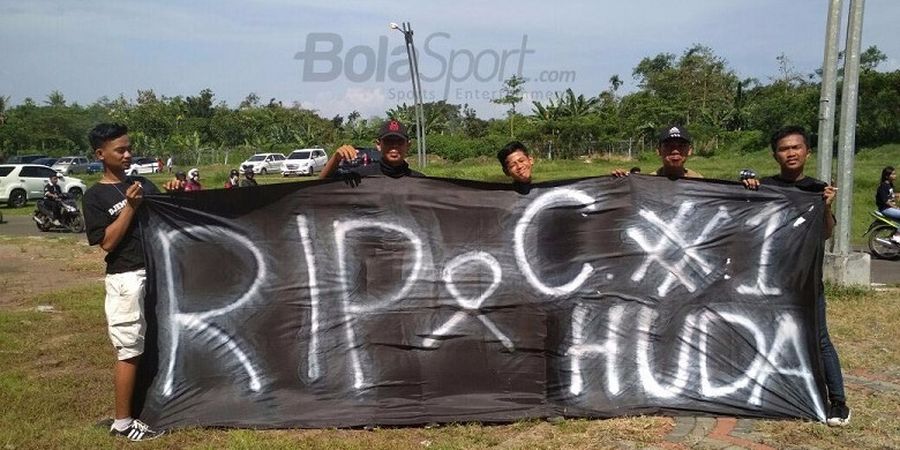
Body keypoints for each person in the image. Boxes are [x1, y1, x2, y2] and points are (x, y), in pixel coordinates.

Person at [742, 125, 849, 427]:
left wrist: (826, 207)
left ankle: (838, 401)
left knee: (819, 338)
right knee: (765, 334)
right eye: (784, 149)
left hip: (805, 282)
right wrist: (746, 185)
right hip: (770, 280)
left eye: (796, 147)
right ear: (775, 154)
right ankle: (770, 390)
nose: (790, 153)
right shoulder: (765, 186)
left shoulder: (817, 190)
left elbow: (826, 233)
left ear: (807, 152)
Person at [81, 123, 165, 441]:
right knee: (128, 349)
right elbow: (107, 243)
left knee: (152, 342)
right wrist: (129, 208)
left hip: (155, 273)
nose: (128, 154)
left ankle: (143, 408)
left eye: (129, 148)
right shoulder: (94, 196)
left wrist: (171, 189)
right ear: (101, 154)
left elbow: (168, 210)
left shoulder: (141, 183)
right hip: (125, 279)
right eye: (121, 150)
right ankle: (122, 423)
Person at [319, 119, 424, 180]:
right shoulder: (362, 176)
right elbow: (320, 186)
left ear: (408, 145)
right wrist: (335, 158)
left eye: (399, 141)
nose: (394, 146)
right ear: (378, 145)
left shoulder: (420, 181)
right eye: (388, 141)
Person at [612, 125, 702, 179]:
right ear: (658, 151)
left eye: (681, 146)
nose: (675, 151)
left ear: (690, 150)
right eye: (668, 146)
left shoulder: (700, 183)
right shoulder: (648, 183)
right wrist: (620, 181)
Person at [875, 166, 900, 243]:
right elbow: (885, 200)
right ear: (887, 176)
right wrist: (895, 207)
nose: (895, 175)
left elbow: (891, 195)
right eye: (893, 174)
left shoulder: (889, 185)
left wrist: (897, 195)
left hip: (889, 208)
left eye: (895, 174)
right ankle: (897, 236)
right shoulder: (883, 186)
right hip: (885, 209)